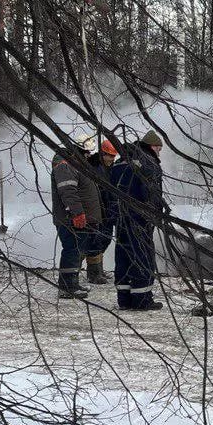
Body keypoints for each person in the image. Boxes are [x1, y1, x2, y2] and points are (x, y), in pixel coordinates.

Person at [110, 129, 165, 310]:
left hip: (121, 218)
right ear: (151, 146)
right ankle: (142, 300)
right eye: (158, 148)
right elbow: (151, 193)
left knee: (123, 255)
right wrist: (154, 215)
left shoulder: (119, 163)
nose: (159, 152)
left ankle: (124, 300)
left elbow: (109, 192)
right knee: (142, 255)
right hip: (140, 218)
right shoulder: (148, 163)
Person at [50, 137, 106, 299]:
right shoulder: (65, 164)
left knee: (76, 250)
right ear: (79, 149)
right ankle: (67, 287)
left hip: (76, 217)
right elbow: (68, 191)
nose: (88, 155)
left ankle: (72, 283)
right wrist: (77, 213)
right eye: (86, 152)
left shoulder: (74, 163)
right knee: (72, 250)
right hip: (70, 218)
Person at [82, 137, 119, 285]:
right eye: (110, 155)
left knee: (106, 240)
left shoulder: (110, 168)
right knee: (95, 241)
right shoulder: (94, 167)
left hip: (109, 210)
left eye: (113, 156)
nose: (112, 158)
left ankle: (99, 270)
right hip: (97, 210)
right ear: (103, 153)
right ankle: (93, 273)